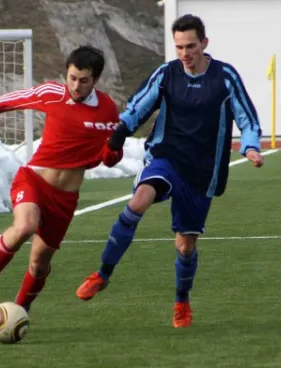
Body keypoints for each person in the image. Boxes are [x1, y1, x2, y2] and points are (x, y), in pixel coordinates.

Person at [75, 14, 265, 328]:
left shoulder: (225, 76)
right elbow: (139, 105)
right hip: (167, 157)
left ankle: (181, 301)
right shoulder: (167, 73)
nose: (185, 53)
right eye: (179, 47)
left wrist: (251, 146)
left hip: (203, 172)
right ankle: (102, 274)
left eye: (191, 46)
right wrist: (119, 134)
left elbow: (247, 119)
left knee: (186, 245)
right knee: (139, 201)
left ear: (204, 44)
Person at [0, 45, 124, 322]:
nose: (75, 85)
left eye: (83, 80)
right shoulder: (53, 93)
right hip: (34, 179)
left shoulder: (107, 110)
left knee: (39, 263)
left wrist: (115, 147)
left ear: (95, 80)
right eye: (72, 77)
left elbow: (109, 159)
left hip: (65, 199)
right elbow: (21, 98)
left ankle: (20, 311)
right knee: (25, 225)